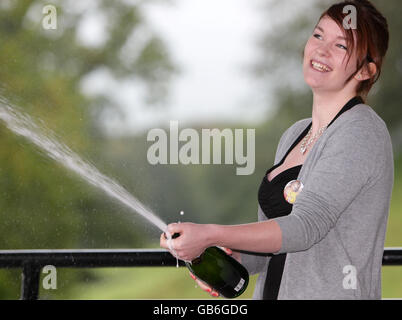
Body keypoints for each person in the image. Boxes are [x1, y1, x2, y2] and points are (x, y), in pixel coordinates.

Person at [160, 0, 394, 300]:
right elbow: (273, 244)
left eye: (341, 46)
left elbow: (304, 228)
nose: (321, 50)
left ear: (366, 70)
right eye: (319, 35)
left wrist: (211, 232)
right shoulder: (295, 134)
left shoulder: (361, 132)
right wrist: (222, 256)